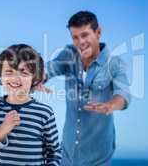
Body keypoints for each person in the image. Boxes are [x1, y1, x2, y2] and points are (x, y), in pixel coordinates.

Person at [38, 11, 131, 166]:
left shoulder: (114, 63)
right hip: (67, 153)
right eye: (75, 37)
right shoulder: (69, 55)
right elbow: (49, 69)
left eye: (85, 35)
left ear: (98, 32)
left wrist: (111, 105)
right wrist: (36, 79)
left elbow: (123, 94)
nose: (80, 42)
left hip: (98, 156)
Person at [0, 44, 62, 165]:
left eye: (23, 73)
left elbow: (55, 153)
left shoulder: (45, 112)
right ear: (1, 76)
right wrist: (1, 131)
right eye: (9, 72)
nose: (15, 78)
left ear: (34, 78)